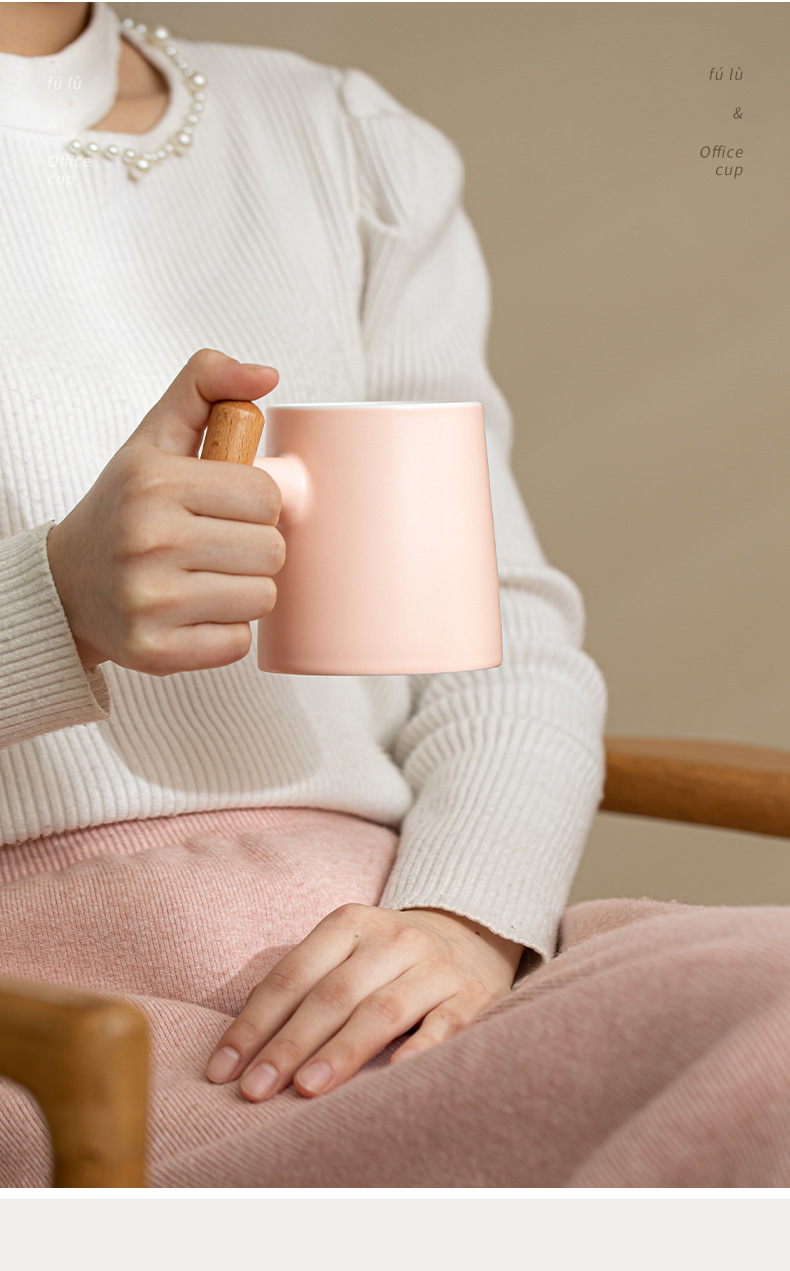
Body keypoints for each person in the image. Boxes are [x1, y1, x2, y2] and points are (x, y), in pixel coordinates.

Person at [1, 3, 789, 1190]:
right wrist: (50, 604)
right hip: (61, 1034)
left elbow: (496, 642)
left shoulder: (337, 143)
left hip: (403, 957)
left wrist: (463, 916)